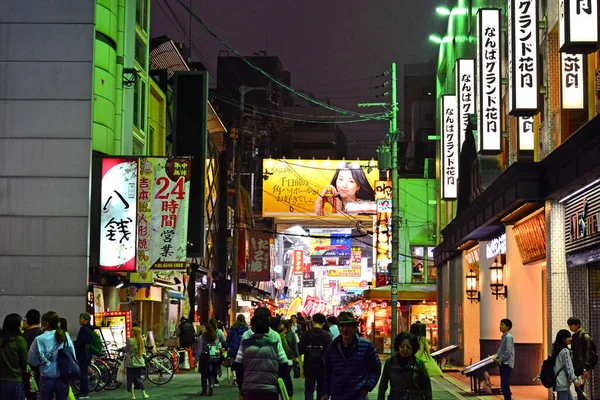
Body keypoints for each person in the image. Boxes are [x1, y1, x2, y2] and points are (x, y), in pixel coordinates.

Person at [321, 312, 381, 400]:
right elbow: (327, 372)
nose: (345, 329)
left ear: (354, 327)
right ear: (338, 327)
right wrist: (325, 393)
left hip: (358, 395)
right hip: (337, 395)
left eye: (348, 326)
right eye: (342, 326)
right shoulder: (332, 348)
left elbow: (376, 369)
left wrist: (367, 387)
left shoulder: (366, 346)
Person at [235, 312, 290, 400]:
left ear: (252, 328)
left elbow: (238, 366)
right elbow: (284, 366)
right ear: (268, 328)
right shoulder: (275, 345)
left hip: (249, 391)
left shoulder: (245, 344)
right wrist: (286, 388)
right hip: (270, 391)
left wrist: (241, 387)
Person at [28, 311, 76, 400]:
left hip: (46, 378)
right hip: (62, 377)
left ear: (45, 323)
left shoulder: (39, 339)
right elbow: (72, 354)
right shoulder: (65, 335)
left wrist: (41, 359)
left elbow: (32, 360)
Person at [377, 332, 432, 400]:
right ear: (398, 346)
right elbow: (383, 385)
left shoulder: (419, 363)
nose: (405, 349)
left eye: (409, 347)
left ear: (413, 348)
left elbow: (426, 386)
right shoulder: (390, 362)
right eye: (402, 346)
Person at [299, 313, 333, 400]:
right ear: (324, 323)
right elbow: (330, 353)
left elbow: (301, 350)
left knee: (309, 389)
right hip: (322, 366)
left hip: (308, 365)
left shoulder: (305, 334)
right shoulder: (327, 336)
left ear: (313, 321)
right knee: (321, 389)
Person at [0, 313, 28, 399]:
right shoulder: (19, 340)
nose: (22, 325)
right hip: (15, 380)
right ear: (16, 326)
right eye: (20, 323)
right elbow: (24, 363)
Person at [195, 322, 221, 396]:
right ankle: (211, 385)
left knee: (204, 375)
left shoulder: (202, 338)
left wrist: (196, 359)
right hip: (214, 357)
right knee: (211, 373)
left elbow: (199, 350)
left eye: (203, 327)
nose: (202, 329)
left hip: (204, 357)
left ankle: (204, 391)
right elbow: (218, 346)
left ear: (207, 329)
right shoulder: (215, 336)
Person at [568, 317, 591, 400]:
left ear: (577, 325)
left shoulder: (585, 336)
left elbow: (587, 354)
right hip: (575, 366)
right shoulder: (574, 336)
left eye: (571, 325)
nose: (570, 327)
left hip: (581, 367)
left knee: (580, 388)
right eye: (569, 325)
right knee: (578, 388)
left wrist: (585, 368)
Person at [553, 329, 580, 400]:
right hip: (562, 383)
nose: (571, 339)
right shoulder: (565, 351)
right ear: (563, 339)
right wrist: (575, 380)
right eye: (569, 337)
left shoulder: (557, 349)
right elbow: (569, 367)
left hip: (562, 383)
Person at [23, 309, 43, 400]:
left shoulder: (22, 336)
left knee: (30, 393)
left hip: (27, 369)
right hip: (41, 368)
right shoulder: (42, 334)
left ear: (27, 320)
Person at [73, 312, 94, 399]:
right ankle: (82, 391)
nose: (80, 320)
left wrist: (75, 344)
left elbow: (81, 342)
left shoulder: (85, 330)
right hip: (85, 354)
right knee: (83, 373)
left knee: (83, 374)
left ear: (86, 320)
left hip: (83, 354)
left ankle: (84, 392)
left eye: (81, 318)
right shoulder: (88, 329)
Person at [125, 326, 149, 399]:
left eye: (132, 331)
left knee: (131, 379)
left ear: (134, 332)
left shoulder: (130, 340)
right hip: (139, 362)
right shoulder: (141, 341)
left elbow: (126, 350)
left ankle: (133, 396)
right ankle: (144, 394)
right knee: (138, 378)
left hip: (130, 363)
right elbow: (143, 351)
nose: (131, 332)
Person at [494, 318, 514, 400]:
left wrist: (500, 359)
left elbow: (508, 351)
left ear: (507, 326)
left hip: (506, 363)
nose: (500, 326)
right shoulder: (504, 336)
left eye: (502, 324)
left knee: (505, 385)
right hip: (503, 363)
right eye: (500, 324)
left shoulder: (508, 337)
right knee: (504, 384)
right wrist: (496, 357)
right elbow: (501, 349)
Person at [226, 315, 249, 386]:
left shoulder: (233, 328)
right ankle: (241, 376)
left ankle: (235, 376)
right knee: (242, 364)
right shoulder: (246, 329)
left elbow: (229, 338)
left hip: (234, 348)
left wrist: (227, 346)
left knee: (233, 363)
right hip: (243, 349)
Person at [280, 320, 299, 397]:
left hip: (289, 357)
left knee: (286, 374)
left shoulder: (291, 334)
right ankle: (286, 390)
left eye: (281, 324)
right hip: (280, 357)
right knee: (284, 375)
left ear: (284, 325)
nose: (279, 326)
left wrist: (296, 356)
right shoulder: (277, 334)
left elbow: (295, 345)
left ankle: (289, 390)